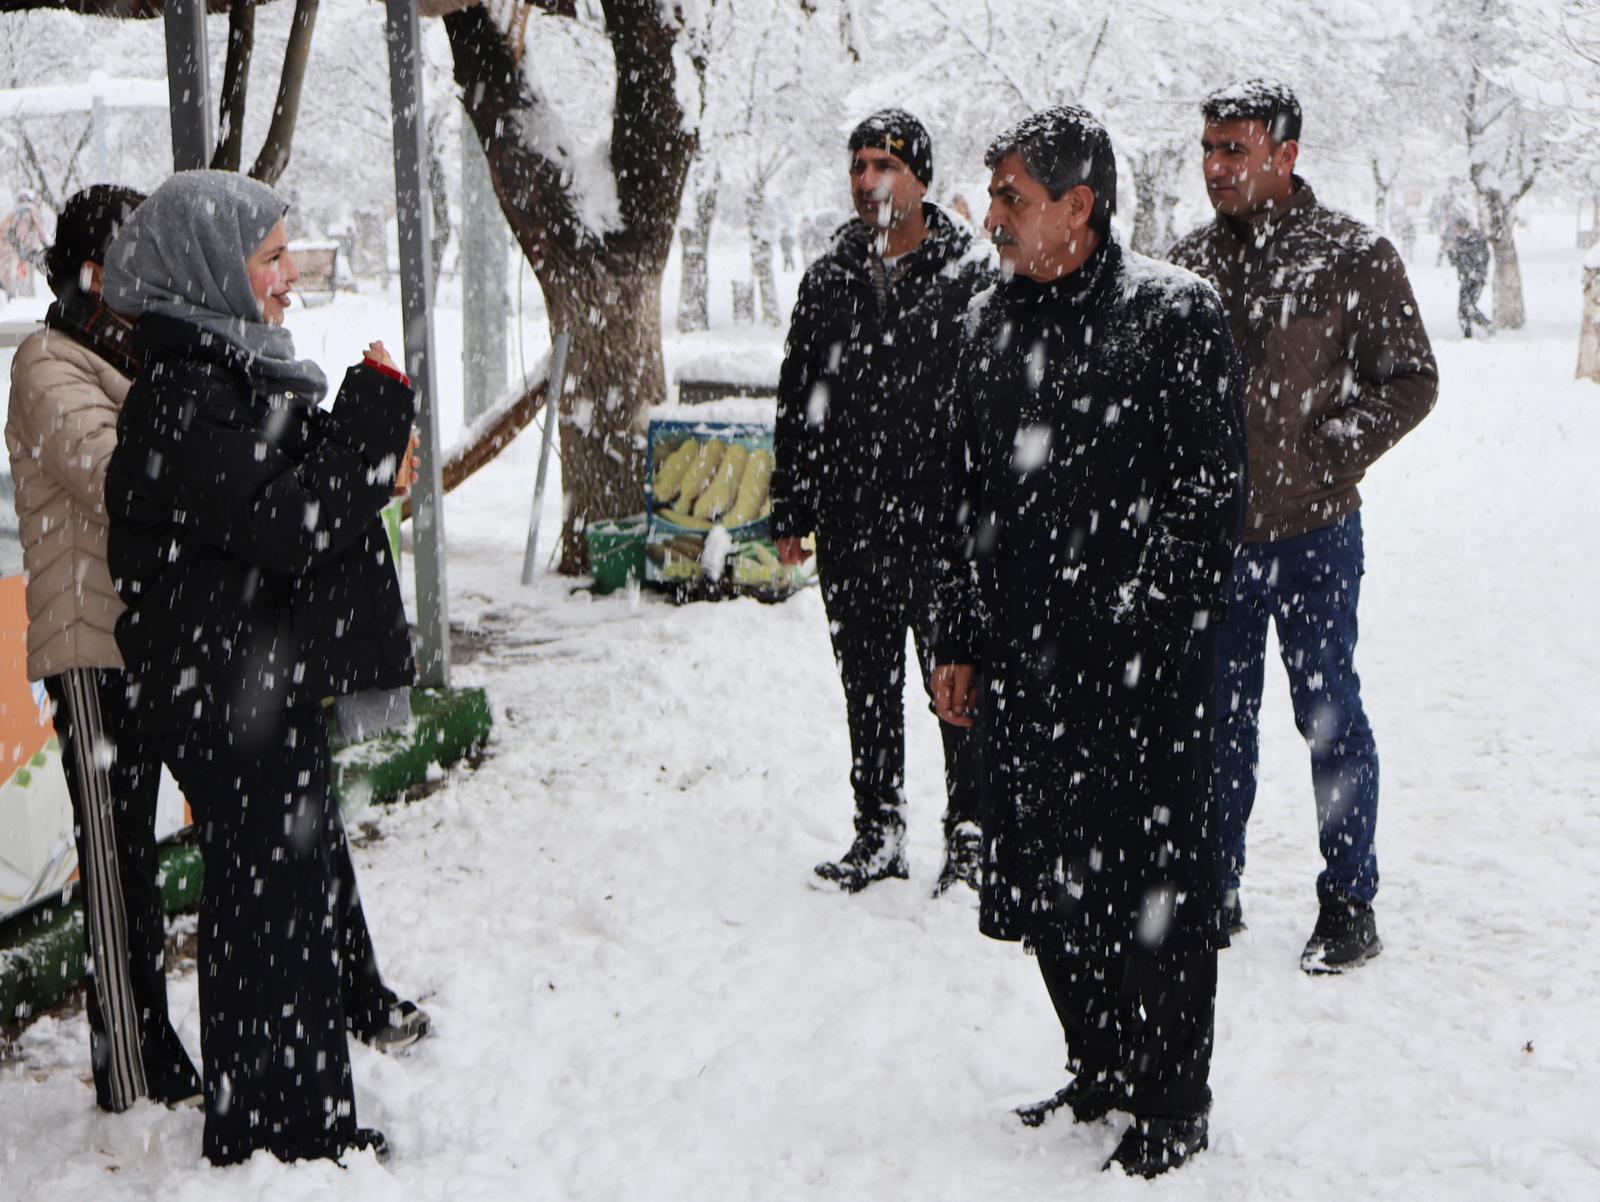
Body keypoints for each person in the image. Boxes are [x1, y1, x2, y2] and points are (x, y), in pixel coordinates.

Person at [931, 105, 1246, 1179]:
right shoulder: (984, 315)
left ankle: (1171, 1096)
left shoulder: (1172, 315)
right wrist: (961, 635)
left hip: (1143, 673)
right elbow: (960, 491)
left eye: (1014, 196)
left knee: (1153, 888)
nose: (995, 217)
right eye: (995, 193)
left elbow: (1209, 502)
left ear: (1081, 204)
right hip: (1026, 665)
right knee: (1048, 879)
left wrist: (1140, 625)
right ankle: (1099, 1062)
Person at [101, 170, 423, 1165]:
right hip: (224, 698)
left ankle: (289, 1117)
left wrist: (369, 456)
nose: (288, 277)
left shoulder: (232, 375)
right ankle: (281, 1131)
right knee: (267, 908)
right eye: (269, 256)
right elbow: (292, 524)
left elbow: (299, 504)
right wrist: (371, 433)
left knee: (283, 901)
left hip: (255, 686)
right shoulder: (187, 397)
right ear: (210, 270)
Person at [1168, 80, 1438, 972]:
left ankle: (1349, 899)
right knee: (1215, 724)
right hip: (1219, 543)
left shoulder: (1353, 256)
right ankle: (1216, 884)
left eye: (1233, 150)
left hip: (1316, 534)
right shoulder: (1189, 263)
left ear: (1284, 155)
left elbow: (1411, 377)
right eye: (1208, 149)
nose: (1215, 167)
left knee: (1329, 717)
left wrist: (1329, 450)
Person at [6, 185, 204, 1113]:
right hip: (90, 651)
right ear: (93, 274)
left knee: (140, 863)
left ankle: (156, 1048)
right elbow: (115, 476)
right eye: (135, 265)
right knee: (116, 865)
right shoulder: (48, 361)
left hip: (147, 639)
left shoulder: (124, 355)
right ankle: (131, 1070)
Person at [774, 109, 992, 896]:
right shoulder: (830, 276)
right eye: (859, 165)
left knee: (957, 684)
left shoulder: (972, 276)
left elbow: (992, 408)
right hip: (854, 521)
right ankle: (880, 829)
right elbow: (801, 394)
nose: (868, 181)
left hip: (944, 530)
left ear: (920, 178)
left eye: (885, 166)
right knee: (865, 683)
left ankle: (972, 835)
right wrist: (794, 504)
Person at [1441, 215, 1493, 338]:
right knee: (1463, 309)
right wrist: (1451, 252)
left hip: (1476, 277)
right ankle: (1468, 334)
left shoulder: (1477, 239)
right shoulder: (1459, 241)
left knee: (1467, 306)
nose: (1457, 232)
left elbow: (1480, 256)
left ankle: (1487, 325)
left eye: (1458, 229)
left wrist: (1460, 250)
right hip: (1465, 277)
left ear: (1464, 227)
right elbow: (1455, 261)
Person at [0, 191, 49, 299]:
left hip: (15, 249)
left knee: (16, 273)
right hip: (29, 249)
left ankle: (14, 294)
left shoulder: (14, 212)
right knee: (27, 275)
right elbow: (40, 230)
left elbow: (3, 229)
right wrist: (46, 245)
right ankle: (27, 298)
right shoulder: (32, 210)